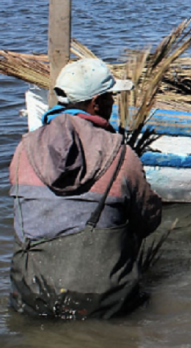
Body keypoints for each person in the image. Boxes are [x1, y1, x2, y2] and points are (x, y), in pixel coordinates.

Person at [8, 58, 162, 319]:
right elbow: (148, 221)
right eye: (111, 98)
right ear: (96, 104)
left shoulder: (24, 149)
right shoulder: (121, 155)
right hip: (103, 302)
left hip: (30, 294)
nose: (113, 104)